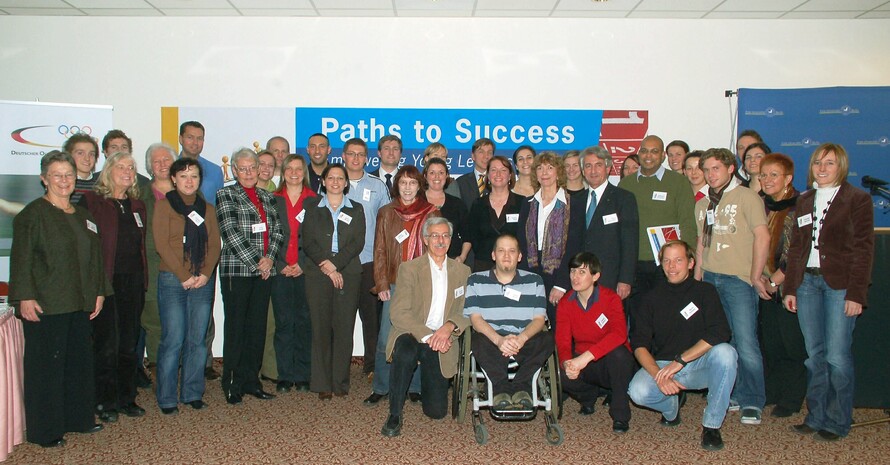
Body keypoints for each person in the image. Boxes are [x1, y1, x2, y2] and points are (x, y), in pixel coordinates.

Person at [10, 151, 108, 448]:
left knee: (77, 364)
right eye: (57, 175)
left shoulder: (82, 216)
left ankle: (78, 419)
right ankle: (45, 430)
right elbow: (21, 259)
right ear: (44, 179)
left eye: (69, 175)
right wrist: (24, 297)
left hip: (79, 303)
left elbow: (95, 260)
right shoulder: (32, 214)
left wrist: (100, 291)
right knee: (46, 370)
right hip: (46, 305)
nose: (64, 180)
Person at [783, 143, 874, 442]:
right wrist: (791, 287)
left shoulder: (857, 199)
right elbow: (797, 247)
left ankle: (837, 420)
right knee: (814, 356)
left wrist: (856, 294)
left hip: (840, 286)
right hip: (807, 285)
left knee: (837, 357)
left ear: (842, 167)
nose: (822, 169)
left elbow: (864, 250)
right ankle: (816, 415)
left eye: (830, 163)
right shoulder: (805, 199)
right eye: (817, 163)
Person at [628, 241, 738, 451]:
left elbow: (720, 331)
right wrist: (658, 375)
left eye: (678, 260)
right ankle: (671, 408)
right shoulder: (650, 298)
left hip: (699, 364)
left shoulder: (705, 291)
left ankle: (711, 426)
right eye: (667, 261)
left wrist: (681, 361)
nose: (672, 266)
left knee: (727, 353)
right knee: (637, 391)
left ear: (690, 263)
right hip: (664, 365)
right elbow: (639, 344)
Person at [695, 147, 769, 425]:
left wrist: (754, 275)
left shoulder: (747, 197)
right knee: (723, 342)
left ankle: (753, 400)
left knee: (746, 342)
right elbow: (702, 243)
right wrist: (698, 279)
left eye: (716, 168)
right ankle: (734, 393)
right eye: (706, 169)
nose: (710, 174)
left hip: (738, 280)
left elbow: (762, 236)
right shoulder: (703, 204)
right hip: (712, 279)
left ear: (730, 168)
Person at [380, 218, 471, 437]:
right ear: (425, 239)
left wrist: (448, 327)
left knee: (436, 412)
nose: (440, 240)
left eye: (445, 236)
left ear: (450, 240)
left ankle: (429, 395)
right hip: (413, 333)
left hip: (442, 341)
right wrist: (428, 334)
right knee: (405, 351)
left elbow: (467, 311)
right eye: (435, 236)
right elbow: (399, 313)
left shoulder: (463, 271)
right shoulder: (410, 269)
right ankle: (394, 414)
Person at [79, 151, 148, 422]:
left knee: (129, 342)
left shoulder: (136, 205)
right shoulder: (92, 202)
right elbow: (87, 248)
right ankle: (105, 402)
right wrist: (94, 285)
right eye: (121, 167)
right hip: (106, 282)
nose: (127, 171)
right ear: (108, 170)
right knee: (107, 343)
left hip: (133, 281)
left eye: (131, 167)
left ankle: (126, 398)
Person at [365, 166, 440, 406]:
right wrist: (381, 282)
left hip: (422, 284)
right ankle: (381, 386)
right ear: (396, 185)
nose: (407, 188)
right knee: (386, 336)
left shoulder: (431, 212)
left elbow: (438, 248)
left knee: (419, 334)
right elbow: (379, 250)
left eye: (412, 183)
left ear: (420, 186)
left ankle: (415, 387)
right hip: (394, 283)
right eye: (403, 183)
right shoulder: (387, 212)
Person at [215, 148, 284, 405]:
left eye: (251, 168)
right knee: (236, 328)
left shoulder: (267, 196)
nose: (247, 173)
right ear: (234, 170)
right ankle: (232, 383)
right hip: (238, 271)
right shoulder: (226, 194)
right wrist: (258, 261)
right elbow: (230, 233)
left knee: (257, 329)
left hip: (264, 273)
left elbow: (277, 231)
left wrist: (269, 261)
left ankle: (251, 381)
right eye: (241, 169)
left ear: (258, 170)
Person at [153, 157, 221, 415]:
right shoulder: (164, 207)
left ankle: (192, 392)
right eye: (183, 176)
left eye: (193, 176)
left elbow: (215, 245)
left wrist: (204, 274)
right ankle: (167, 397)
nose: (189, 181)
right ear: (173, 179)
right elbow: (162, 244)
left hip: (203, 280)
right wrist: (184, 275)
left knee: (197, 339)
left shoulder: (208, 209)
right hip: (173, 279)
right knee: (173, 339)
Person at [464, 233, 552, 410]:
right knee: (476, 339)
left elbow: (538, 319)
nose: (506, 255)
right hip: (491, 340)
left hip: (524, 338)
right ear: (493, 255)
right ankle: (500, 388)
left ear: (519, 256)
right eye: (501, 250)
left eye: (512, 251)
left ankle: (522, 386)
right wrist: (499, 340)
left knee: (548, 338)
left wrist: (521, 339)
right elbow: (475, 319)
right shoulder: (476, 280)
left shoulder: (535, 281)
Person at [618, 135, 697, 328]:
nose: (648, 156)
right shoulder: (625, 185)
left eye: (654, 151)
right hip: (633, 266)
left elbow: (687, 223)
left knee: (667, 318)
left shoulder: (678, 182)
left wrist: (685, 261)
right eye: (644, 150)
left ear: (662, 156)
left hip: (666, 266)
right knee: (638, 321)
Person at [301, 164, 366, 399]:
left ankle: (340, 382)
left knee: (343, 328)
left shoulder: (356, 209)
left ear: (346, 183)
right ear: (324, 181)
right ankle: (322, 383)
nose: (336, 182)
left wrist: (336, 265)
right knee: (320, 328)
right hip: (318, 274)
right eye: (331, 178)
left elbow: (357, 242)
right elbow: (307, 241)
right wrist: (327, 266)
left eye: (340, 178)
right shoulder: (311, 206)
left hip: (348, 274)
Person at [556, 252, 634, 433]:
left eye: (582, 272)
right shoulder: (566, 303)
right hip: (585, 363)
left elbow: (619, 335)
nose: (575, 277)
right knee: (561, 372)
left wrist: (585, 358)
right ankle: (589, 397)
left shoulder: (610, 298)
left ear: (595, 276)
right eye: (573, 271)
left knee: (620, 354)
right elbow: (563, 341)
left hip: (610, 361)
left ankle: (620, 413)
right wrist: (568, 362)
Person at [756, 153, 807, 418]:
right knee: (770, 343)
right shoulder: (761, 206)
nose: (767, 180)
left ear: (788, 178)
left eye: (774, 175)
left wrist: (776, 278)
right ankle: (773, 391)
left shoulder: (800, 206)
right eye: (763, 175)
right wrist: (760, 279)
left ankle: (792, 397)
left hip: (790, 287)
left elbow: (800, 249)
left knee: (792, 344)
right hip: (763, 284)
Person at [340, 138, 389, 380]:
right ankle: (340, 368)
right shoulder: (334, 182)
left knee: (372, 320)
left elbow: (387, 223)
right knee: (342, 319)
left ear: (367, 158)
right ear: (344, 157)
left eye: (360, 154)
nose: (356, 158)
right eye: (351, 154)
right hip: (341, 264)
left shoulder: (378, 186)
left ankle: (371, 366)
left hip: (370, 261)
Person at [517, 151, 585, 325]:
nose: (544, 172)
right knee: (530, 326)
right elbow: (522, 244)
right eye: (540, 168)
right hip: (531, 272)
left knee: (560, 327)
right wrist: (524, 280)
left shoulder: (573, 204)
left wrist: (561, 284)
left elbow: (574, 246)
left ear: (558, 172)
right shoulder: (528, 203)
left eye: (550, 167)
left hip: (559, 274)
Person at [178, 120, 223, 381]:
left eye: (200, 138)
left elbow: (216, 212)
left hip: (206, 250)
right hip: (176, 252)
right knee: (177, 310)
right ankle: (179, 361)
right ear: (181, 138)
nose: (195, 143)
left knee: (204, 308)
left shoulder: (215, 171)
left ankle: (204, 361)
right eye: (191, 137)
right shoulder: (170, 168)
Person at [271, 154, 317, 393]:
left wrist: (303, 264)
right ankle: (285, 375)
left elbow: (319, 239)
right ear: (283, 171)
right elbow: (267, 237)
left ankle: (303, 374)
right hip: (280, 271)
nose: (294, 173)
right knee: (284, 324)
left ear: (304, 172)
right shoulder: (273, 199)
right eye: (289, 168)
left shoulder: (315, 200)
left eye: (298, 169)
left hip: (305, 270)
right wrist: (280, 265)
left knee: (304, 322)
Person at [139, 143, 177, 383]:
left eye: (166, 160)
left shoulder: (187, 191)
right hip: (152, 270)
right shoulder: (139, 196)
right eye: (157, 161)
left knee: (178, 327)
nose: (162, 164)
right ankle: (159, 376)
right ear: (149, 167)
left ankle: (176, 374)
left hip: (184, 272)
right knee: (155, 326)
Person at [579, 146, 638, 300]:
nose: (593, 171)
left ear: (608, 168)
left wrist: (625, 279)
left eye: (598, 165)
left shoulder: (624, 198)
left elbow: (630, 242)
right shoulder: (576, 200)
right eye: (588, 166)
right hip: (581, 278)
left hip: (611, 277)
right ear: (583, 171)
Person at [467, 156, 526, 272]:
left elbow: (526, 237)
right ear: (488, 176)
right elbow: (473, 236)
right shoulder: (478, 204)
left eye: (503, 170)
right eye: (493, 170)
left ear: (510, 176)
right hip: (483, 266)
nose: (498, 174)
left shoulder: (522, 203)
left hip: (514, 266)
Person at [423, 157, 470, 262]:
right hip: (422, 262)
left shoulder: (457, 204)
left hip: (452, 261)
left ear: (447, 176)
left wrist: (462, 257)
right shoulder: (417, 202)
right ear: (425, 176)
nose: (437, 177)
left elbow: (468, 235)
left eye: (441, 172)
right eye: (432, 173)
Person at [447, 138, 494, 210]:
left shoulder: (498, 180)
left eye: (489, 152)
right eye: (481, 152)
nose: (486, 156)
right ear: (473, 156)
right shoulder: (461, 182)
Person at [65, 133, 100, 204]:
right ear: (69, 156)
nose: (87, 158)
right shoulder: (63, 184)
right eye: (80, 153)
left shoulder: (102, 185)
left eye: (91, 154)